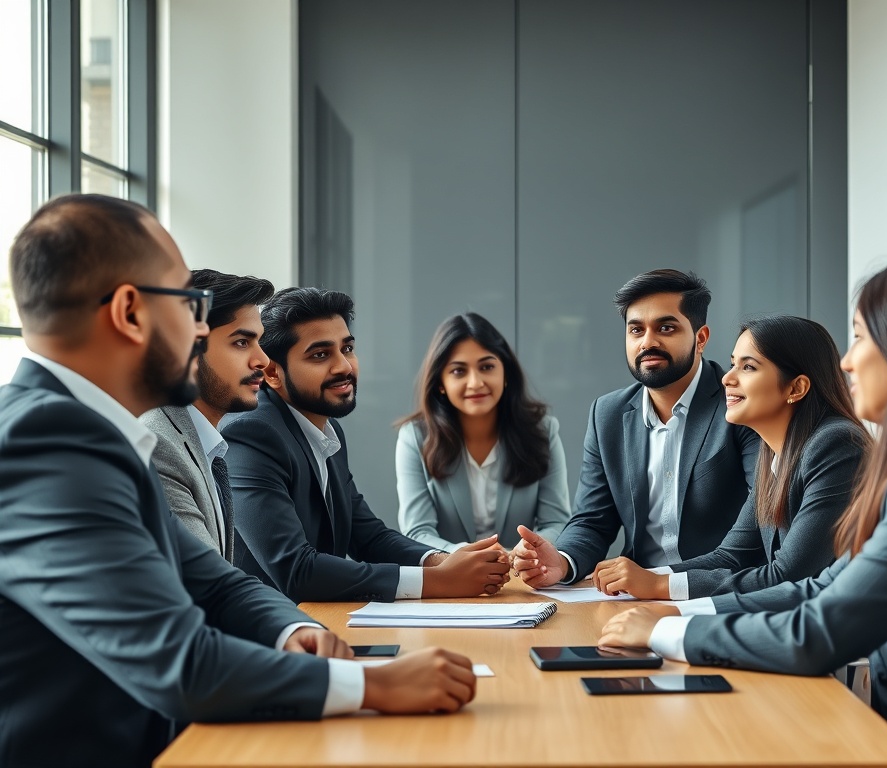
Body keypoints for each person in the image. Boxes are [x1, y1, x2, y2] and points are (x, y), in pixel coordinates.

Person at [0, 195, 476, 768]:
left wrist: (291, 630)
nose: (200, 329)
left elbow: (217, 584)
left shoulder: (90, 431)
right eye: (190, 303)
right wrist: (373, 687)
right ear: (130, 312)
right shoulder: (46, 441)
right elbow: (181, 663)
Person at [600, 253, 887, 759]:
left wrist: (669, 629)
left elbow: (822, 630)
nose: (846, 361)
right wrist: (673, 610)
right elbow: (825, 586)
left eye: (863, 337)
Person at [223, 287, 510, 603]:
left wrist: (448, 561)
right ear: (273, 373)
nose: (343, 367)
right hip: (265, 636)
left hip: (317, 624)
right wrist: (438, 580)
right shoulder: (250, 434)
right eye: (320, 355)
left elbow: (369, 537)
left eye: (346, 349)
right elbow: (296, 570)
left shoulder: (325, 430)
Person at [511, 269, 761, 592]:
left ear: (700, 339)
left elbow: (758, 528)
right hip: (635, 598)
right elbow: (592, 520)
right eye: (636, 330)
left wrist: (659, 581)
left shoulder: (738, 404)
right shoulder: (608, 414)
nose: (648, 342)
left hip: (720, 592)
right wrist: (560, 561)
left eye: (666, 328)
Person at [590, 315, 868, 599]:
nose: (727, 378)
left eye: (748, 367)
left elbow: (789, 574)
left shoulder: (836, 444)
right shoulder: (774, 454)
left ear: (795, 388)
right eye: (733, 363)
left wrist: (658, 586)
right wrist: (644, 578)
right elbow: (731, 556)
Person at [396, 312, 571, 552]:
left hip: (522, 576)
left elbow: (557, 523)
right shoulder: (414, 437)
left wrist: (523, 553)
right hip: (452, 577)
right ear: (440, 383)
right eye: (459, 371)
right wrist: (465, 557)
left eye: (487, 366)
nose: (476, 382)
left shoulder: (543, 430)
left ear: (505, 374)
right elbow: (417, 531)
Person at [141, 269, 273, 562]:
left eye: (259, 342)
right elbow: (211, 583)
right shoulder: (157, 444)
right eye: (241, 342)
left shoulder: (202, 441)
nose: (262, 359)